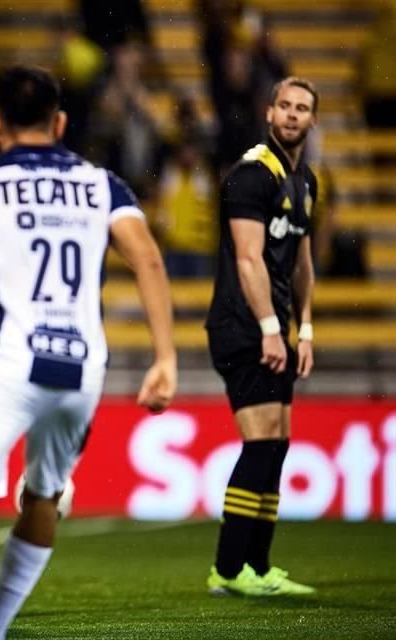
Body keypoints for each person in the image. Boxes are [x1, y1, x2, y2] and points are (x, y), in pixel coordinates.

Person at [0, 65, 177, 640]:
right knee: (44, 496)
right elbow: (149, 261)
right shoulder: (102, 184)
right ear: (59, 121)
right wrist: (165, 358)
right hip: (80, 366)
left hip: (9, 360)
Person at [204, 77, 319, 597]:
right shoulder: (252, 175)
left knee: (276, 444)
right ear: (269, 111)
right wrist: (272, 329)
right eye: (286, 106)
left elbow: (302, 264)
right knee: (261, 442)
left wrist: (306, 328)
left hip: (277, 328)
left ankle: (257, 566)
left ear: (312, 119)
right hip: (243, 325)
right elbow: (248, 258)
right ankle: (228, 570)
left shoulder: (306, 180)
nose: (293, 115)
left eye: (303, 108)